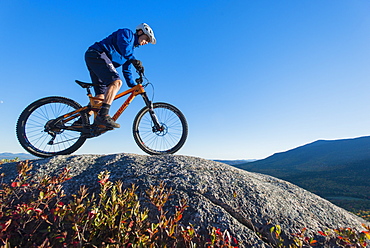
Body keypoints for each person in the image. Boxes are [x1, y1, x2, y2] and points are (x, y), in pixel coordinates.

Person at [84, 23, 156, 129]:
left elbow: (126, 70)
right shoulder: (127, 34)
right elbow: (123, 45)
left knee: (101, 97)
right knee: (116, 82)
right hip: (97, 54)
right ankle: (103, 116)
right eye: (147, 39)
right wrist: (133, 59)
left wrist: (133, 86)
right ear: (140, 32)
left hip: (96, 59)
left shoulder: (130, 51)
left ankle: (81, 120)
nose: (146, 42)